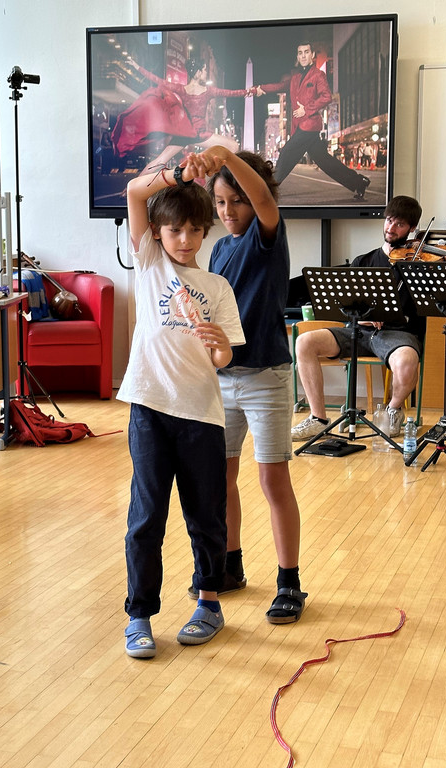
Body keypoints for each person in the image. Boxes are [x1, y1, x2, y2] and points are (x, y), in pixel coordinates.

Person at [118, 157, 245, 658]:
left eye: (195, 230)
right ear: (157, 232)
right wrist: (181, 175)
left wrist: (221, 347)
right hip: (149, 409)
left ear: (205, 231)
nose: (185, 240)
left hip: (201, 414)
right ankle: (139, 616)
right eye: (175, 230)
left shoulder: (218, 288)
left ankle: (209, 603)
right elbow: (135, 191)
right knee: (146, 516)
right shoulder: (150, 263)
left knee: (205, 515)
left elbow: (222, 359)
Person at [185, 145, 307, 625]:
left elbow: (263, 200)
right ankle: (229, 565)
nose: (227, 211)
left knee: (272, 480)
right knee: (221, 478)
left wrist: (226, 158)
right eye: (219, 202)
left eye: (236, 201)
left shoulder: (266, 233)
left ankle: (289, 582)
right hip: (222, 380)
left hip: (265, 378)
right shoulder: (219, 249)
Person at [291, 195, 446, 442]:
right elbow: (344, 308)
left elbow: (444, 300)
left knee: (407, 361)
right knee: (304, 342)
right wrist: (362, 318)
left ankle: (393, 410)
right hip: (358, 332)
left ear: (412, 228)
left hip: (399, 334)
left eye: (400, 224)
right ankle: (318, 418)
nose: (391, 228)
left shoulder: (421, 265)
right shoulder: (363, 261)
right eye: (389, 220)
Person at [254, 42, 370, 199]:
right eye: (300, 52)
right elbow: (279, 86)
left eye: (306, 52)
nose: (303, 55)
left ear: (312, 55)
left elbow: (327, 97)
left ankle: (268, 190)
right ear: (297, 56)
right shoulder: (295, 78)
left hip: (310, 125)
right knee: (324, 161)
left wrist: (306, 109)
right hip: (300, 126)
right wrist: (261, 88)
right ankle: (359, 182)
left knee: (287, 152)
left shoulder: (318, 75)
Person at [113, 56, 247, 175]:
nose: (206, 73)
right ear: (198, 72)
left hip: (183, 135)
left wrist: (137, 67)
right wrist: (251, 91)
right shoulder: (208, 91)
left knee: (159, 161)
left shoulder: (180, 89)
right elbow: (231, 93)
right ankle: (225, 179)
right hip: (199, 134)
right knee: (234, 146)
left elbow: (157, 80)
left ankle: (130, 188)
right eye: (205, 70)